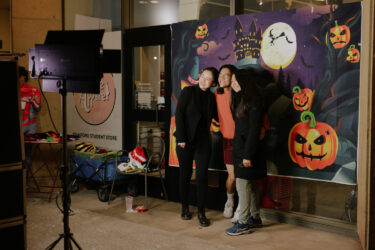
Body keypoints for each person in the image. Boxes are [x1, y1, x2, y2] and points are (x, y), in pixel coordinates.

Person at [174, 67, 219, 227]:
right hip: (184, 141)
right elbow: (179, 113)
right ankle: (185, 207)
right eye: (203, 76)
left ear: (213, 83)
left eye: (208, 79)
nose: (203, 80)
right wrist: (181, 137)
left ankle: (201, 211)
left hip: (203, 142)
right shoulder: (188, 91)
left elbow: (217, 117)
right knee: (185, 175)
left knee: (201, 177)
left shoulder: (212, 98)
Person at [225, 69, 267, 236]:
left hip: (248, 150)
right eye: (233, 81)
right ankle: (255, 217)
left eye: (236, 81)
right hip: (242, 148)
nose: (234, 84)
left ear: (245, 82)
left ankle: (242, 222)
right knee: (251, 183)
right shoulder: (240, 97)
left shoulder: (254, 100)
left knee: (243, 184)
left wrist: (247, 155)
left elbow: (254, 130)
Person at [215, 64, 240, 220]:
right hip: (227, 141)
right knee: (233, 176)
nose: (221, 78)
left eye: (225, 75)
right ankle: (229, 202)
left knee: (243, 177)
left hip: (242, 141)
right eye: (220, 75)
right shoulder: (216, 96)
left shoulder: (239, 95)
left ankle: (241, 209)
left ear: (233, 77)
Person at [19, 66, 41, 172]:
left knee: (26, 155)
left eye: (20, 77)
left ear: (23, 77)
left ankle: (24, 183)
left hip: (30, 127)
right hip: (16, 127)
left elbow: (38, 108)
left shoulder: (34, 91)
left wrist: (31, 99)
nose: (19, 80)